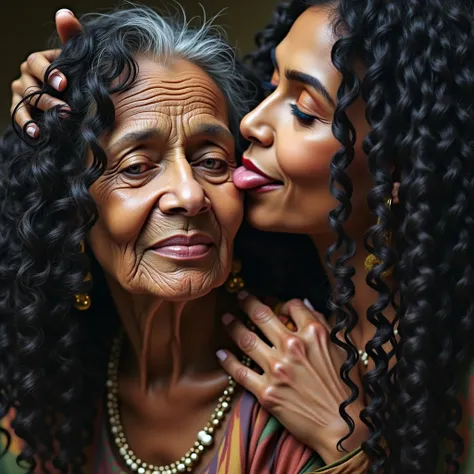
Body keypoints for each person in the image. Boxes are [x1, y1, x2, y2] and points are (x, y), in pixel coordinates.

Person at [12, 1, 474, 473]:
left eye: (305, 109)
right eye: (136, 167)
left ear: (400, 165)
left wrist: (348, 445)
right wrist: (67, 102)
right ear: (65, 204)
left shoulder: (314, 376)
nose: (251, 123)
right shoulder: (43, 387)